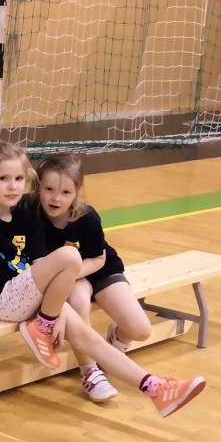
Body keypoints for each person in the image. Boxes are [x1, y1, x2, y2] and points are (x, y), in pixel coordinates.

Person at [0, 141, 206, 418]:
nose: (13, 186)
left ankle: (155, 388)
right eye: (3, 179)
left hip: (29, 296)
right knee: (69, 256)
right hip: (1, 299)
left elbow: (43, 268)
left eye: (19, 178)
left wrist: (56, 309)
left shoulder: (26, 219)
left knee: (89, 339)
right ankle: (44, 325)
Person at [34, 154, 153, 403]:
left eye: (65, 192)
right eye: (49, 189)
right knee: (78, 299)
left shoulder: (86, 218)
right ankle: (89, 372)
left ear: (77, 191)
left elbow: (98, 259)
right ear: (38, 186)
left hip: (97, 269)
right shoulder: (30, 215)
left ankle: (115, 339)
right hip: (67, 279)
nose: (56, 198)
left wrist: (69, 274)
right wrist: (65, 279)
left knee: (141, 330)